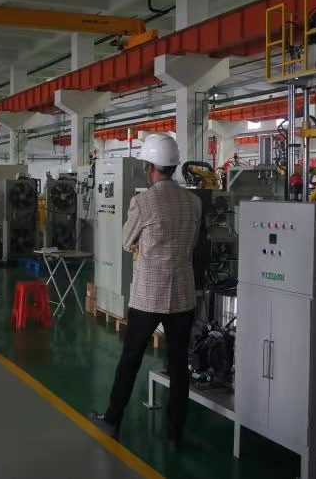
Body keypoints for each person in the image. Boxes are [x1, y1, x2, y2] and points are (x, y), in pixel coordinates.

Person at [89, 133, 202, 449]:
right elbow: (192, 243)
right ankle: (174, 433)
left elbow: (127, 242)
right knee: (179, 364)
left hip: (148, 296)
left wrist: (143, 244)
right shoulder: (194, 203)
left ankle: (112, 420)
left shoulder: (143, 202)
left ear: (150, 167)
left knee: (131, 359)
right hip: (182, 295)